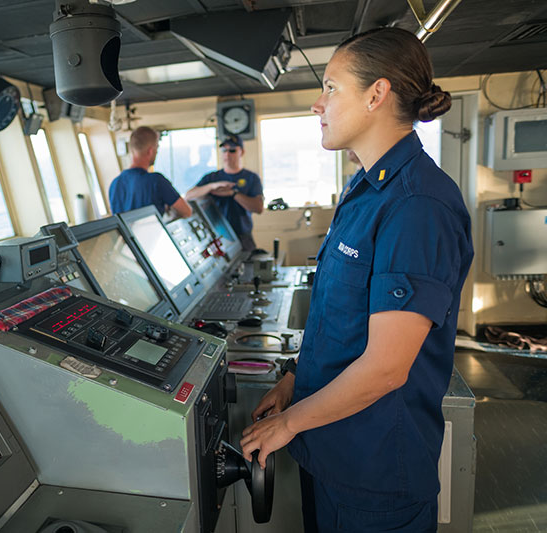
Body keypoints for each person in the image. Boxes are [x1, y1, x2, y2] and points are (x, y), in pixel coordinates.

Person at [239, 27, 473, 532]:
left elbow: (387, 367)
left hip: (375, 475)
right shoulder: (364, 190)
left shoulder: (417, 206)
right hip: (329, 453)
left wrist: (289, 423)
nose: (316, 104)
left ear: (376, 94)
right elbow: (337, 318)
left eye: (330, 87)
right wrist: (293, 379)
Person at [185, 135, 264, 251]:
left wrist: (233, 193)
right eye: (224, 150)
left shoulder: (251, 178)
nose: (227, 154)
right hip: (216, 237)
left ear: (241, 152)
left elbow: (258, 208)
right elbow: (189, 196)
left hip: (243, 237)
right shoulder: (212, 178)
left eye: (232, 150)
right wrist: (212, 186)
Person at [108, 126, 192, 218]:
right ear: (150, 151)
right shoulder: (156, 181)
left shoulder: (115, 184)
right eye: (157, 148)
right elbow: (187, 212)